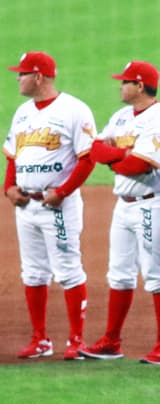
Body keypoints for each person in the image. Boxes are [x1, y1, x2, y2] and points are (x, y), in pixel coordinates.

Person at [80, 60, 160, 366]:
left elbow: (140, 165)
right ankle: (111, 341)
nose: (119, 86)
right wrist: (121, 154)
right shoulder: (122, 116)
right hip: (124, 204)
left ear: (140, 86)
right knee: (119, 273)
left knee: (156, 274)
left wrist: (115, 158)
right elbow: (93, 150)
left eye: (124, 82)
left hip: (155, 204)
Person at [5, 50, 96, 361]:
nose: (17, 78)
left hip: (58, 204)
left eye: (22, 73)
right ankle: (40, 340)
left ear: (38, 77)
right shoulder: (22, 113)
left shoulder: (74, 110)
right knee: (32, 273)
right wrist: (8, 189)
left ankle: (76, 340)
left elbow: (87, 158)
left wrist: (64, 191)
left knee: (69, 271)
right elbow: (12, 157)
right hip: (26, 205)